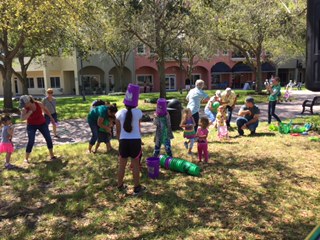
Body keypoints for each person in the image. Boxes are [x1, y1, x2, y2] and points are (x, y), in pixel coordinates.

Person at [116, 84, 145, 196]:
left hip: (123, 142)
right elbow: (138, 126)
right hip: (135, 141)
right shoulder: (138, 112)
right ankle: (137, 188)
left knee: (122, 165)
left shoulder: (119, 113)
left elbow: (118, 132)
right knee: (135, 165)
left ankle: (119, 185)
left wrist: (121, 142)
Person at [19, 95, 57, 162]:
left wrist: (51, 118)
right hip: (31, 126)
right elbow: (22, 118)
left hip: (42, 124)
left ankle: (52, 156)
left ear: (28, 102)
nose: (23, 106)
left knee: (48, 138)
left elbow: (46, 110)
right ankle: (26, 158)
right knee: (31, 140)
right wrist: (29, 113)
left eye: (24, 104)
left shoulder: (38, 104)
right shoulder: (24, 109)